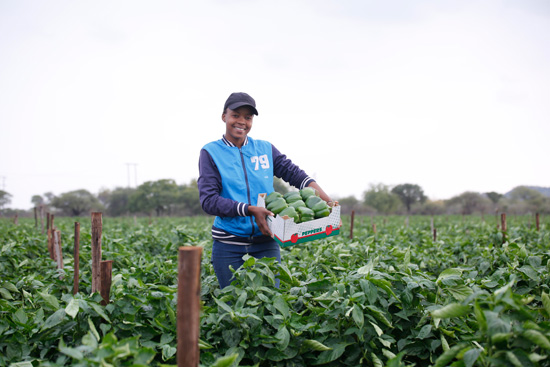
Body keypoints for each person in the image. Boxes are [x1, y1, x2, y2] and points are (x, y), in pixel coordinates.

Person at [197, 92, 332, 289]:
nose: (242, 121)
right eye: (236, 115)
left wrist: (329, 202)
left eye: (248, 117)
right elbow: (209, 201)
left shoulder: (265, 149)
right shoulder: (210, 152)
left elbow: (296, 175)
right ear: (224, 116)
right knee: (234, 304)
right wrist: (249, 209)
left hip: (266, 242)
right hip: (228, 244)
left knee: (270, 304)